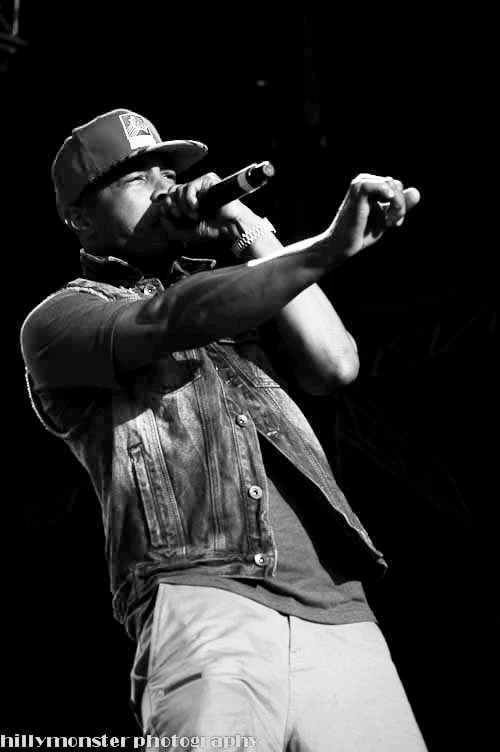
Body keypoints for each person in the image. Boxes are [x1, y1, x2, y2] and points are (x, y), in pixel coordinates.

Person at [21, 108, 427, 751]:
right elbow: (171, 318)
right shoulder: (59, 321)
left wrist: (247, 227)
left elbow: (335, 364)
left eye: (167, 171)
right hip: (203, 597)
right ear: (80, 218)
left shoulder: (243, 288)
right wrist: (326, 248)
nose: (164, 187)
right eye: (135, 178)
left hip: (336, 604)